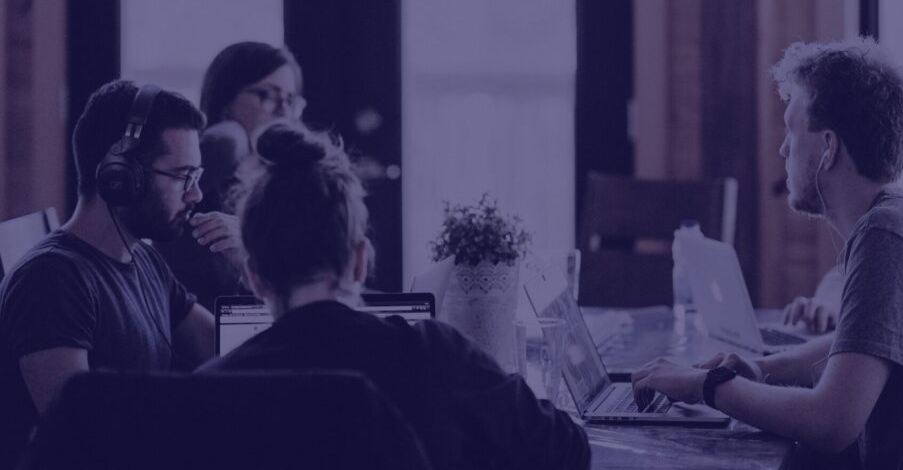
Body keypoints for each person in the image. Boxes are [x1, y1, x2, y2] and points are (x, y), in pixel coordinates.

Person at [631, 39, 903, 469]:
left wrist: (704, 385)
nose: (783, 149)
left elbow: (832, 423)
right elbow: (857, 347)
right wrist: (764, 369)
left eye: (791, 130)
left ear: (828, 148)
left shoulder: (888, 234)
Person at [199, 122, 589, 470]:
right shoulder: (435, 353)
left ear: (254, 277)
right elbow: (567, 451)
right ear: (359, 260)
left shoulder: (209, 390)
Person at [0, 81, 215, 470]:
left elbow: (223, 348)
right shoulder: (51, 280)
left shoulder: (145, 261)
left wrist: (257, 260)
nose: (196, 195)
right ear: (119, 174)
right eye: (184, 176)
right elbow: (78, 438)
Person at [156, 42, 305, 310]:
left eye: (291, 100)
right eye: (267, 95)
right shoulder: (207, 168)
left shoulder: (292, 179)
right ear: (226, 99)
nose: (283, 111)